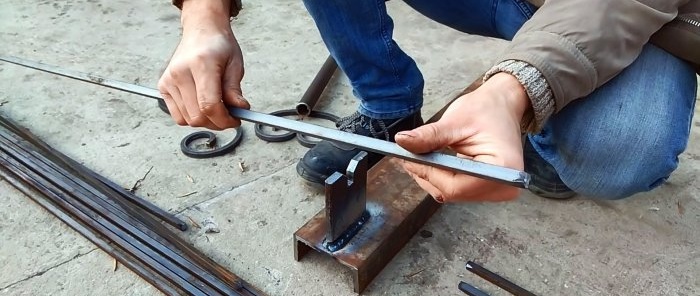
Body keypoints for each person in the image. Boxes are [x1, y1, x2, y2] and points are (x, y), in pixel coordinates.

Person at [158, 0, 699, 203]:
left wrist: (519, 90)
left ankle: (541, 137)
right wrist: (203, 18)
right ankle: (388, 100)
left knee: (615, 155)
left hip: (637, 14)